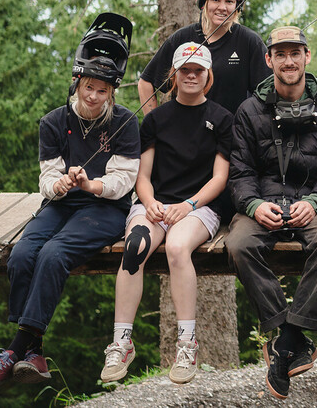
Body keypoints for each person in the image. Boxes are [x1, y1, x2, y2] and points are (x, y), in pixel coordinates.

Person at [0, 14, 141, 387]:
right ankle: (35, 352)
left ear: (113, 92)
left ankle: (15, 349)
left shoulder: (126, 123)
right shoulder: (53, 122)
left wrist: (91, 184)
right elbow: (46, 177)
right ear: (77, 82)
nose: (94, 96)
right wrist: (61, 184)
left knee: (54, 254)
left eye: (103, 90)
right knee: (21, 255)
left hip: (105, 209)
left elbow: (124, 180)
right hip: (62, 204)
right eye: (89, 87)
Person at [227, 26, 317, 400]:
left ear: (307, 56)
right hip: (265, 200)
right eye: (280, 54)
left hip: (315, 201)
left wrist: (315, 201)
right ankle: (288, 331)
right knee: (238, 244)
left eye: (294, 53)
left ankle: (286, 341)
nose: (288, 61)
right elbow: (241, 170)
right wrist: (253, 205)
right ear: (269, 60)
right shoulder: (249, 110)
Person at [101, 42, 234, 385]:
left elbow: (220, 178)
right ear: (173, 76)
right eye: (184, 70)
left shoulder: (221, 118)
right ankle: (121, 342)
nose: (191, 76)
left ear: (208, 76)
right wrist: (149, 203)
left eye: (198, 71)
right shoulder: (156, 119)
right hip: (156, 204)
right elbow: (142, 177)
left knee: (177, 247)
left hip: (199, 207)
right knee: (135, 246)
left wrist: (188, 205)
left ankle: (187, 344)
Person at [138, 0, 269, 116]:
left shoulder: (249, 42)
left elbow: (269, 92)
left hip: (232, 140)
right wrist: (156, 127)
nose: (222, 7)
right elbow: (146, 82)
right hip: (185, 138)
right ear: (204, 1)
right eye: (216, 0)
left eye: (230, 1)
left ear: (237, 6)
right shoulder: (182, 38)